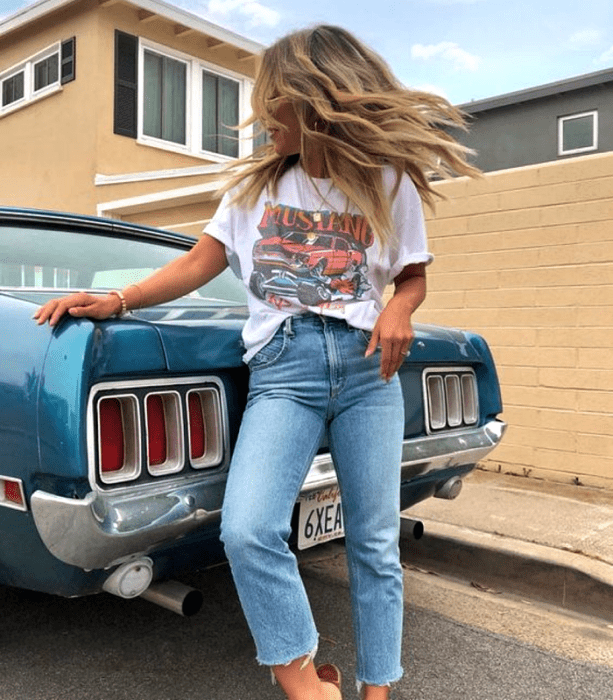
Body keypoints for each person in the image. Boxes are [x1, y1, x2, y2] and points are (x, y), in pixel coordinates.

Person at [34, 25, 478, 700]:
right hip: (284, 371)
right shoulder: (254, 193)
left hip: (367, 375)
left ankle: (377, 689)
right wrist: (116, 298)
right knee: (247, 529)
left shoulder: (389, 185)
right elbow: (195, 264)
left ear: (312, 102)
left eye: (273, 103)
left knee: (373, 545)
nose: (262, 119)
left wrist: (400, 308)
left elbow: (411, 276)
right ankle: (304, 680)